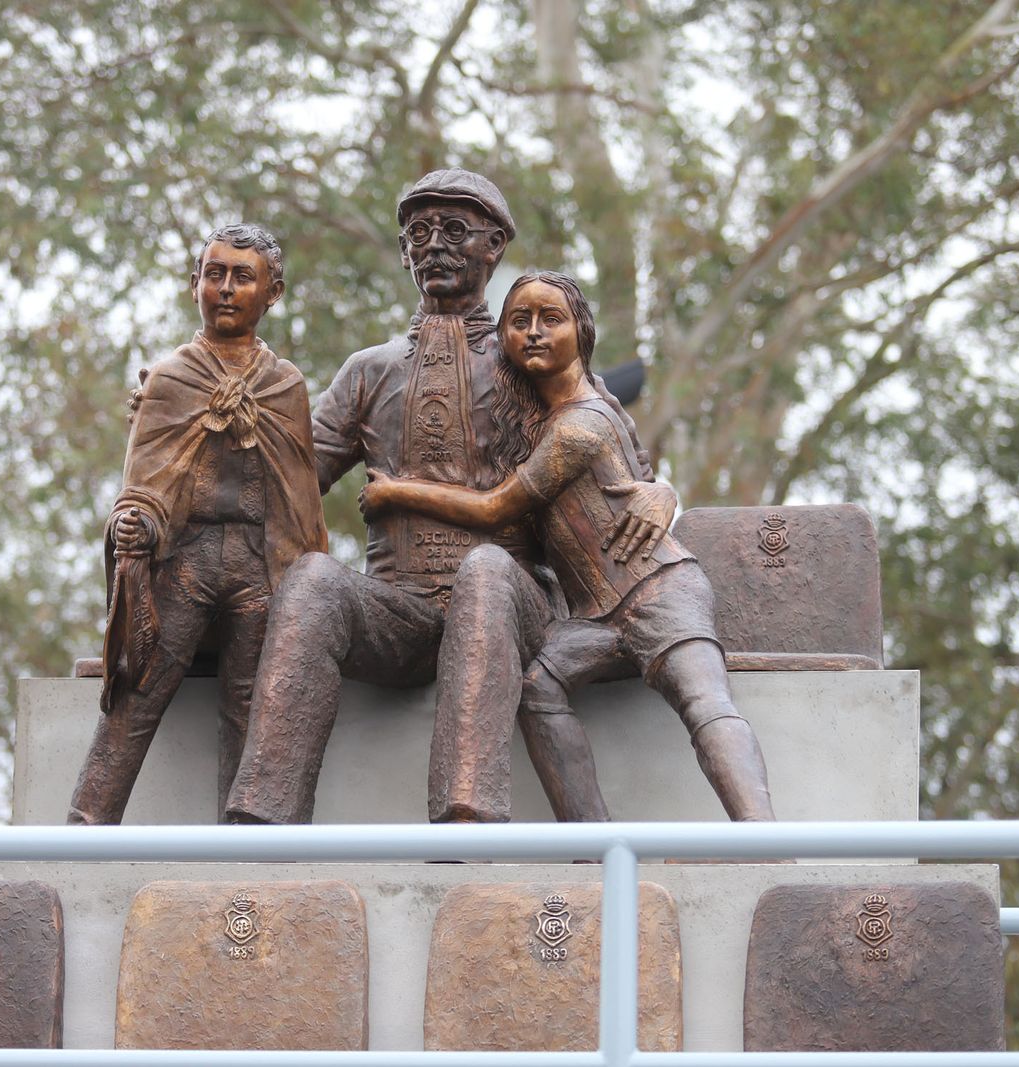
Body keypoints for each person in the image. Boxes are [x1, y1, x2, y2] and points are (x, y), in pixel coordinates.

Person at [222, 170, 677, 826]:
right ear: (404, 251)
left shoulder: (532, 354)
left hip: (511, 605)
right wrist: (200, 424)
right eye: (420, 233)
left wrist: (663, 492)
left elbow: (622, 458)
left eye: (455, 230)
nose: (434, 245)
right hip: (400, 608)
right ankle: (261, 824)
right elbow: (287, 480)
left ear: (494, 246)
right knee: (315, 579)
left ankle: (468, 819)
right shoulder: (370, 370)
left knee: (485, 571)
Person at [360, 270, 776, 823]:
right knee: (539, 687)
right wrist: (662, 490)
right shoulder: (540, 416)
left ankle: (762, 841)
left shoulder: (580, 424)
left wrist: (395, 490)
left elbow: (496, 508)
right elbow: (641, 481)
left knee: (705, 702)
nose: (533, 332)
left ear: (581, 331)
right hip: (596, 617)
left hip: (658, 590)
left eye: (550, 319)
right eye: (519, 321)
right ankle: (594, 847)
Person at [67, 223, 328, 825]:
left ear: (273, 292)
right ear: (194, 285)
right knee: (137, 693)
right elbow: (145, 482)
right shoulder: (172, 378)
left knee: (251, 707)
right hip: (187, 561)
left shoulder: (285, 385)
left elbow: (299, 500)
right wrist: (137, 524)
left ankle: (242, 855)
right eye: (215, 275)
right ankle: (83, 832)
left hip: (260, 566)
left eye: (243, 277)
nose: (227, 289)